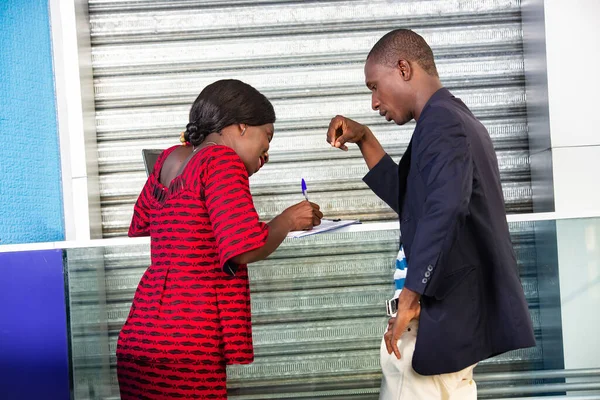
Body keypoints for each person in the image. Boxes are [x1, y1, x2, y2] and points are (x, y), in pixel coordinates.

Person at [326, 29, 536, 400]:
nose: (374, 102)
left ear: (403, 69)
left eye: (375, 86)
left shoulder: (442, 124)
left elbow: (445, 209)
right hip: (446, 324)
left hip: (432, 326)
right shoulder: (452, 118)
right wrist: (366, 139)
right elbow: (415, 201)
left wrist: (409, 298)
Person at [116, 79, 323, 399]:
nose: (267, 151)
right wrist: (288, 220)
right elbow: (245, 248)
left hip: (142, 331)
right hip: (188, 335)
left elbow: (144, 222)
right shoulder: (222, 161)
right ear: (241, 126)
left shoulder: (169, 159)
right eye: (267, 137)